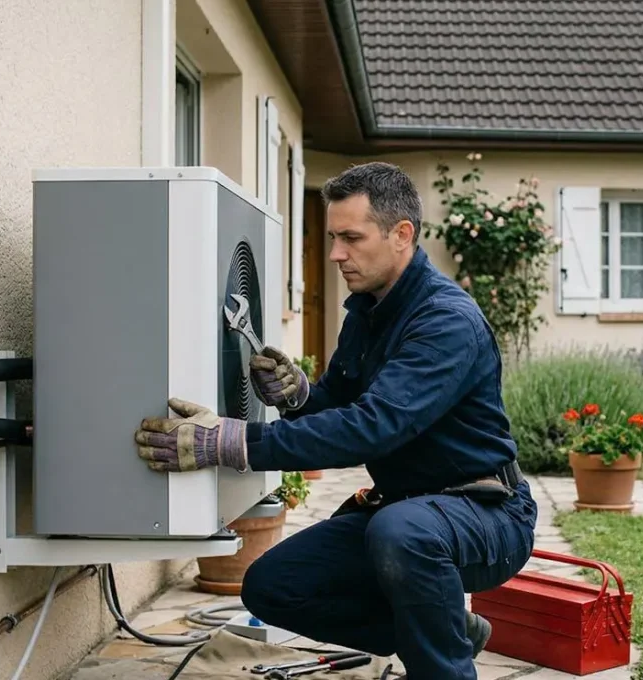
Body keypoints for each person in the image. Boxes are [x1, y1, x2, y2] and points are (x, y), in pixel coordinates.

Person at [133, 161, 537, 678]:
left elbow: (373, 427)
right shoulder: (368, 310)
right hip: (404, 514)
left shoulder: (445, 321)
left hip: (487, 514)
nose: (334, 255)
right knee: (271, 586)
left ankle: (443, 666)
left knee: (400, 532)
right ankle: (443, 630)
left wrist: (229, 442)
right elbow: (339, 407)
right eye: (332, 237)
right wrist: (299, 397)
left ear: (401, 235)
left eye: (351, 237)